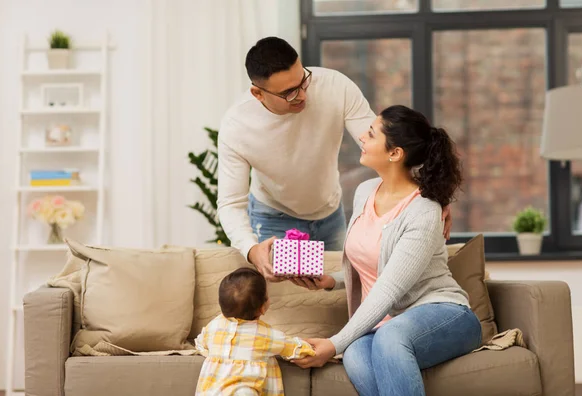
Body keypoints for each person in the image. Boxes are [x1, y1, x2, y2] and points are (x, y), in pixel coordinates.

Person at [216, 37, 453, 281]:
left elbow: (384, 147)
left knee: (340, 290)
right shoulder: (237, 126)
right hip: (275, 219)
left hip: (330, 214)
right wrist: (251, 249)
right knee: (291, 302)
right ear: (258, 93)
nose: (302, 96)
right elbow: (231, 202)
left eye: (303, 81)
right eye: (288, 93)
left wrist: (431, 195)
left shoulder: (334, 86)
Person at [290, 105, 481, 396]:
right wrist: (333, 280)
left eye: (370, 134)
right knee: (355, 352)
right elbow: (373, 262)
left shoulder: (424, 211)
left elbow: (389, 288)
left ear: (395, 153)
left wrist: (333, 343)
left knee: (388, 337)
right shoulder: (365, 191)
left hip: (445, 314)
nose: (362, 139)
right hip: (385, 326)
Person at [194, 267, 315, 396]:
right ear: (262, 308)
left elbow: (200, 343)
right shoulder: (265, 335)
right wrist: (311, 347)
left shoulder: (214, 326)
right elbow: (296, 349)